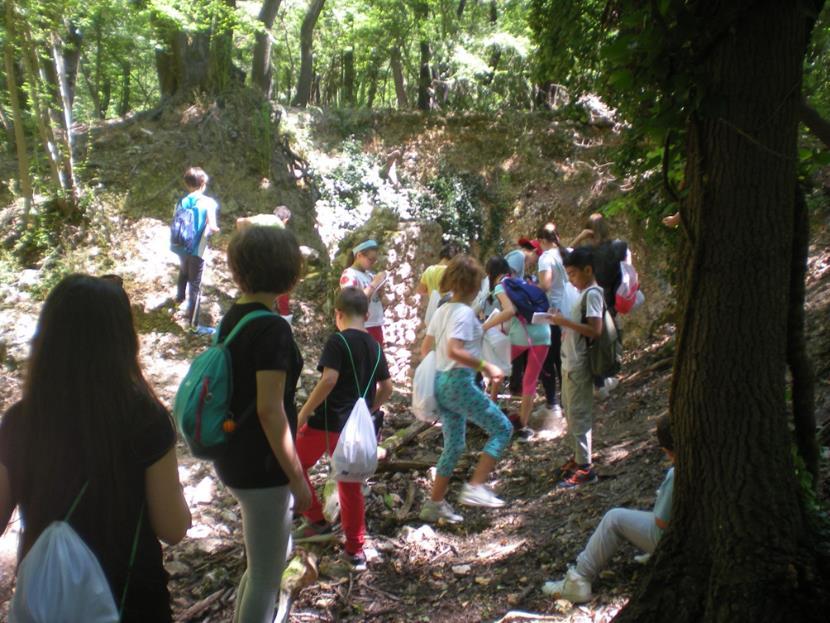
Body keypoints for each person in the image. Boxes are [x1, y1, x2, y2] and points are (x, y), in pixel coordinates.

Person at [0, 274, 191, 622]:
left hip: (48, 602)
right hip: (130, 602)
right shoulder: (146, 420)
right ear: (122, 341)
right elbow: (173, 529)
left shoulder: (20, 420)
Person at [214, 226, 312, 623]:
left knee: (259, 567)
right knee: (268, 576)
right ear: (288, 273)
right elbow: (271, 410)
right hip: (263, 465)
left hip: (235, 454)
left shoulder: (234, 317)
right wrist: (298, 478)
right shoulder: (271, 327)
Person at [295, 287, 393, 570]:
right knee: (350, 488)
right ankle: (355, 551)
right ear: (366, 315)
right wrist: (370, 408)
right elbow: (387, 388)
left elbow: (328, 381)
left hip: (325, 423)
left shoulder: (338, 342)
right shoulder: (375, 348)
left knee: (293, 464)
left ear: (338, 314)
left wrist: (303, 413)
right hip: (356, 430)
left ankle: (315, 519)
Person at [419, 256, 513, 523]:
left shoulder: (441, 311)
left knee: (455, 445)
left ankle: (434, 503)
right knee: (502, 428)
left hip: (442, 382)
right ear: (475, 286)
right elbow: (454, 350)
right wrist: (488, 367)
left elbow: (427, 350)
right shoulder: (463, 313)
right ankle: (475, 487)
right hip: (459, 382)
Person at [542, 414, 675, 603]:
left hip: (669, 537)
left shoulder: (675, 473)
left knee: (614, 518)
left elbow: (661, 522)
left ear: (666, 450)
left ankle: (578, 580)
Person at [550, 246, 604, 488]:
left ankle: (585, 468)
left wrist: (565, 323)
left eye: (573, 274)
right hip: (570, 361)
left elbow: (595, 330)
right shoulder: (584, 294)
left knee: (579, 414)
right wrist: (564, 324)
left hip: (580, 363)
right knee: (571, 412)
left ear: (588, 270)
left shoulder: (593, 293)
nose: (571, 280)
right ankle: (577, 457)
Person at [482, 257, 551, 443]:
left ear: (491, 274)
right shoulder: (523, 282)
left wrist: (485, 326)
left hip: (521, 336)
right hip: (544, 333)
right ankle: (524, 427)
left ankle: (491, 412)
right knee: (530, 380)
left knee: (498, 366)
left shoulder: (500, 286)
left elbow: (510, 310)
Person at [173, 166, 220, 331]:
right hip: (197, 249)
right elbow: (213, 226)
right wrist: (215, 230)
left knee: (184, 270)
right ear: (203, 183)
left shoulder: (182, 201)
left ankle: (179, 299)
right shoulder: (208, 202)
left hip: (181, 246)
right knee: (195, 284)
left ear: (187, 184)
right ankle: (194, 326)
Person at [536, 223, 571, 423]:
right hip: (570, 309)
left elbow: (546, 285)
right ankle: (568, 399)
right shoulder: (567, 252)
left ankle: (552, 403)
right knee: (564, 357)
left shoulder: (546, 258)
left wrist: (532, 287)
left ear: (542, 241)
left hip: (553, 311)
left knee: (548, 358)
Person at [235, 206, 294, 322]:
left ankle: (249, 314)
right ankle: (285, 318)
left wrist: (242, 243)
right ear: (286, 220)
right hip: (267, 262)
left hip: (252, 258)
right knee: (283, 284)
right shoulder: (280, 227)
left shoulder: (263, 217)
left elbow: (240, 222)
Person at [340, 239, 387, 345]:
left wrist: (380, 288)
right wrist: (374, 283)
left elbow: (373, 297)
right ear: (359, 255)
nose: (373, 263)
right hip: (361, 326)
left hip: (375, 323)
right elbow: (352, 301)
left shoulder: (369, 275)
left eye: (375, 260)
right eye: (371, 259)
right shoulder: (349, 274)